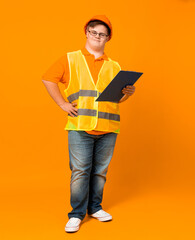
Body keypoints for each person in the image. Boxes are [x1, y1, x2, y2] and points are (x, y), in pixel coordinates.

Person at [41, 15, 135, 233]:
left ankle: (95, 208)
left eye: (103, 35)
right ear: (86, 32)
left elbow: (116, 99)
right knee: (80, 171)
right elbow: (48, 78)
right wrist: (62, 103)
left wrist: (128, 94)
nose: (98, 37)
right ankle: (76, 214)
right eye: (94, 32)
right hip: (80, 126)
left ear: (108, 38)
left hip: (109, 128)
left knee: (100, 171)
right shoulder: (70, 59)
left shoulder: (114, 66)